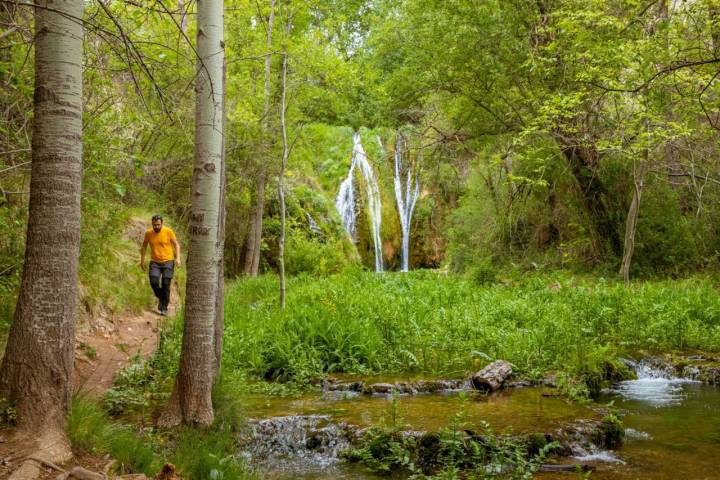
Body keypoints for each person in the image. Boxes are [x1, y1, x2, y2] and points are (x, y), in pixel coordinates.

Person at [140, 215, 181, 316]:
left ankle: (164, 308)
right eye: (154, 225)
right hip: (155, 262)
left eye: (158, 225)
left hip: (168, 261)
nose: (156, 227)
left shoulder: (168, 231)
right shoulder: (149, 233)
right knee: (154, 282)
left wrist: (178, 258)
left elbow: (176, 244)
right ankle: (162, 297)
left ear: (162, 224)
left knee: (166, 284)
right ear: (152, 224)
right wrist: (142, 260)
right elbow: (144, 246)